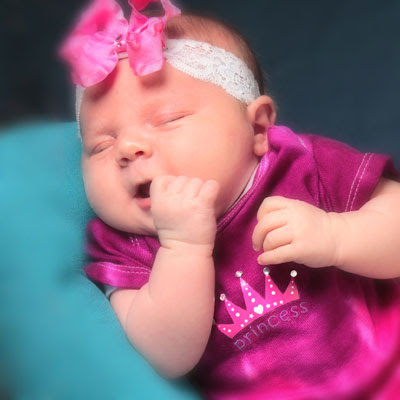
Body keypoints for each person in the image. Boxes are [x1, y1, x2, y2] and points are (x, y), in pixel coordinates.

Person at [60, 0, 400, 398]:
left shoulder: (301, 164)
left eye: (168, 120)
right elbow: (163, 357)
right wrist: (183, 248)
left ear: (257, 128)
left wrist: (337, 235)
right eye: (101, 145)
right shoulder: (126, 245)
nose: (127, 148)